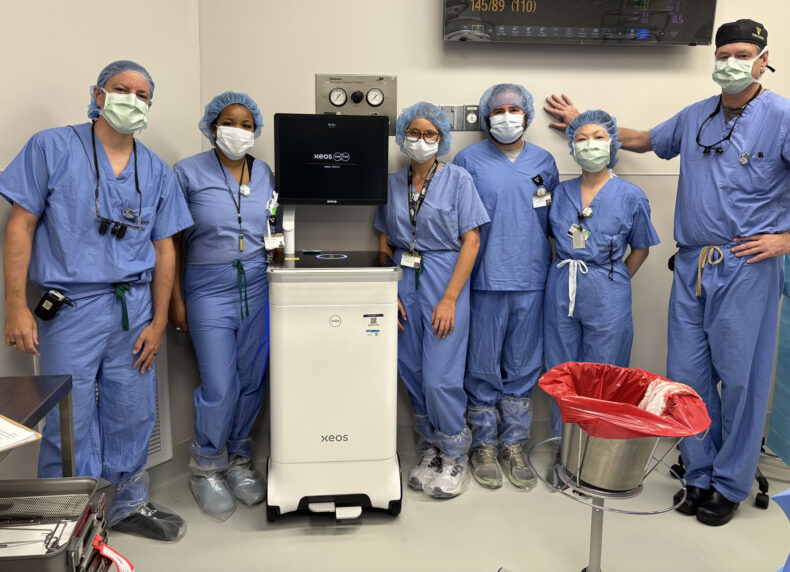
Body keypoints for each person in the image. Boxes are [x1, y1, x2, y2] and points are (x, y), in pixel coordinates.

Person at [545, 18, 790, 526]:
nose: (730, 63)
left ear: (763, 58)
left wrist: (785, 239)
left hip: (746, 265)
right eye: (723, 54)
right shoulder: (697, 115)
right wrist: (583, 122)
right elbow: (637, 139)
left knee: (742, 381)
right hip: (692, 263)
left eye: (742, 53)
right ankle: (698, 473)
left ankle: (729, 483)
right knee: (685, 377)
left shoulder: (782, 115)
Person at [1, 60, 192, 540]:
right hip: (69, 310)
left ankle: (126, 504)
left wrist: (157, 321)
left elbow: (165, 248)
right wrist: (17, 306)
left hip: (134, 311)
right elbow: (20, 226)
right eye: (121, 89)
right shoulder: (51, 147)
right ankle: (66, 518)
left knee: (133, 411)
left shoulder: (156, 171)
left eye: (143, 94)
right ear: (98, 94)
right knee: (70, 418)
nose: (132, 99)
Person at [374, 102, 489, 499]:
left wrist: (449, 300)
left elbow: (472, 240)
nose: (421, 141)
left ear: (441, 139)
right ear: (403, 135)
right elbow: (384, 238)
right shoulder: (391, 183)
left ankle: (456, 453)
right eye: (415, 133)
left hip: (444, 278)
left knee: (441, 376)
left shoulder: (457, 179)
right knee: (413, 372)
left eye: (430, 135)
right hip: (405, 280)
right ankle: (432, 449)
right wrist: (391, 291)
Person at [170, 91, 273, 520]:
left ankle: (237, 459)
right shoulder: (187, 173)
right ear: (213, 127)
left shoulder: (264, 171)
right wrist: (176, 299)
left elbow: (273, 224)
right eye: (231, 122)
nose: (239, 131)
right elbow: (170, 242)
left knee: (251, 380)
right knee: (219, 384)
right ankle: (205, 466)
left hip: (257, 284)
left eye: (248, 125)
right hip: (207, 289)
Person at [452, 83, 559, 490]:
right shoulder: (468, 160)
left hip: (532, 276)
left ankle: (514, 444)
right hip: (483, 278)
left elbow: (551, 221)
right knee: (481, 366)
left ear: (528, 117)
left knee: (523, 364)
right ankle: (483, 445)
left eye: (515, 109)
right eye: (499, 110)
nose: (507, 116)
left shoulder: (544, 161)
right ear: (486, 117)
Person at [544, 110, 659, 439]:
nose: (589, 145)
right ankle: (563, 451)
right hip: (562, 287)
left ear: (613, 145)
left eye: (598, 138)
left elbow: (641, 248)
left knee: (605, 373)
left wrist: (613, 280)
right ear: (572, 147)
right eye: (581, 139)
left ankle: (596, 455)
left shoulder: (630, 196)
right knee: (561, 370)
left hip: (608, 288)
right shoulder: (560, 193)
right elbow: (554, 239)